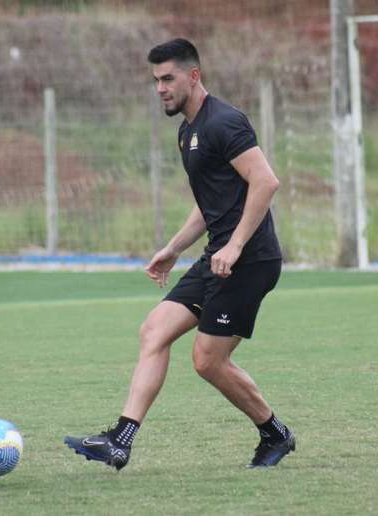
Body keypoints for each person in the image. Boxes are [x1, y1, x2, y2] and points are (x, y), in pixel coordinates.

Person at [65, 38, 294, 470]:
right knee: (154, 331)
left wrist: (236, 244)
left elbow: (265, 182)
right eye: (155, 81)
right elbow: (211, 203)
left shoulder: (224, 122)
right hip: (218, 257)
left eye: (168, 78)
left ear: (194, 76)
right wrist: (172, 249)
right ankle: (120, 441)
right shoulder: (187, 131)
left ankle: (275, 433)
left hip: (251, 261)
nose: (160, 88)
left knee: (207, 361)